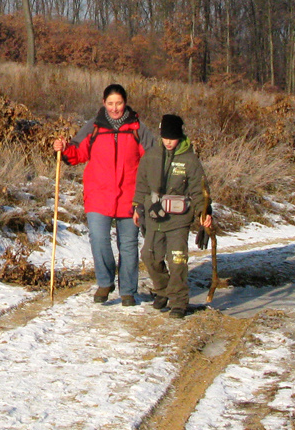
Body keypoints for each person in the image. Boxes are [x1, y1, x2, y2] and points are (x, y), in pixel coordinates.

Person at [52, 83, 155, 306]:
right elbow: (78, 153)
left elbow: (153, 160)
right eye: (110, 103)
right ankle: (105, 282)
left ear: (125, 103)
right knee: (98, 239)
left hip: (130, 195)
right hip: (98, 193)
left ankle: (127, 291)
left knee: (128, 244)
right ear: (103, 103)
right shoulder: (94, 127)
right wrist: (63, 149)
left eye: (119, 103)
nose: (115, 108)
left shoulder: (138, 129)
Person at [133, 113, 212, 318]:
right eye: (166, 137)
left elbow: (199, 190)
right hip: (153, 216)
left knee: (176, 260)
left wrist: (204, 214)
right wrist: (137, 207)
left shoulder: (190, 160)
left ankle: (178, 301)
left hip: (178, 219)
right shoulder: (151, 156)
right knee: (149, 257)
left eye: (173, 137)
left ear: (180, 136)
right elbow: (141, 184)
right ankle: (162, 291)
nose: (169, 142)